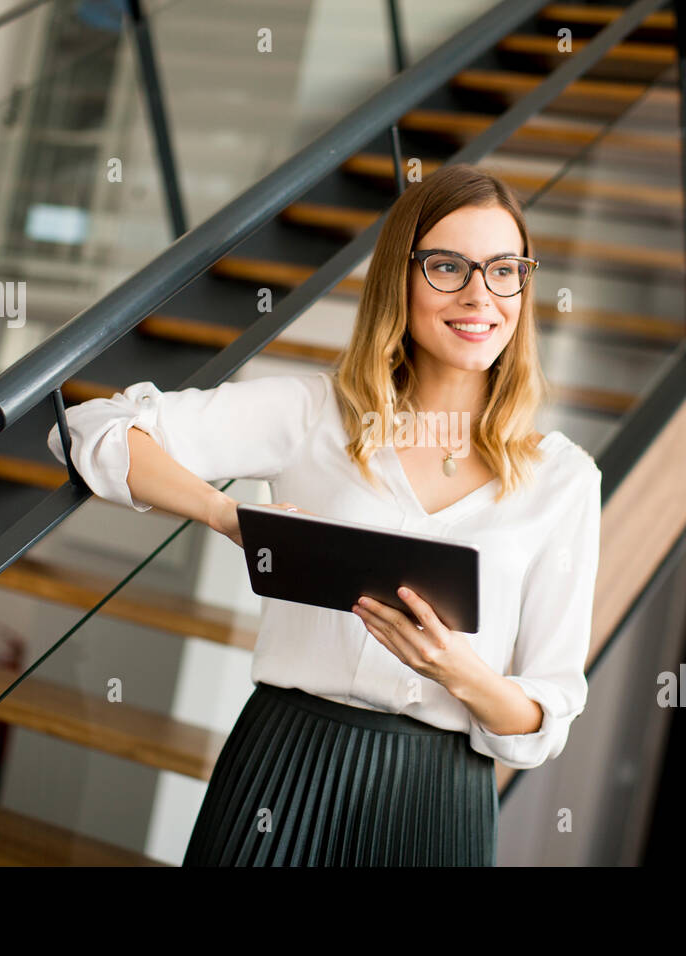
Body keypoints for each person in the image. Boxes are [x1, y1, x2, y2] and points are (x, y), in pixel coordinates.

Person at [47, 163, 602, 866]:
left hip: (436, 802)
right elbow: (90, 428)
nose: (478, 295)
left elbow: (547, 713)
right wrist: (231, 516)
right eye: (446, 267)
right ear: (399, 278)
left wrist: (458, 672)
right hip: (285, 767)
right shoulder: (315, 414)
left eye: (503, 270)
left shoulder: (563, 480)